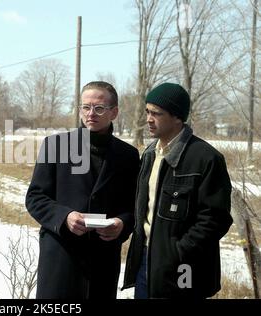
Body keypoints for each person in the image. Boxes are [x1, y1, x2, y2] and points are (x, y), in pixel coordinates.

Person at [25, 81, 140, 299]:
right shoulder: (55, 145)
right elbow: (35, 198)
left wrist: (122, 223)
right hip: (61, 258)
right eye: (85, 107)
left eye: (99, 108)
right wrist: (65, 216)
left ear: (114, 112)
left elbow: (133, 206)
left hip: (103, 263)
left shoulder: (128, 155)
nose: (91, 114)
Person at [122, 83, 233, 298]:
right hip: (146, 262)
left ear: (177, 117)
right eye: (147, 111)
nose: (148, 119)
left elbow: (215, 219)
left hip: (184, 269)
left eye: (156, 113)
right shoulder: (150, 154)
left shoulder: (205, 158)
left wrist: (177, 252)